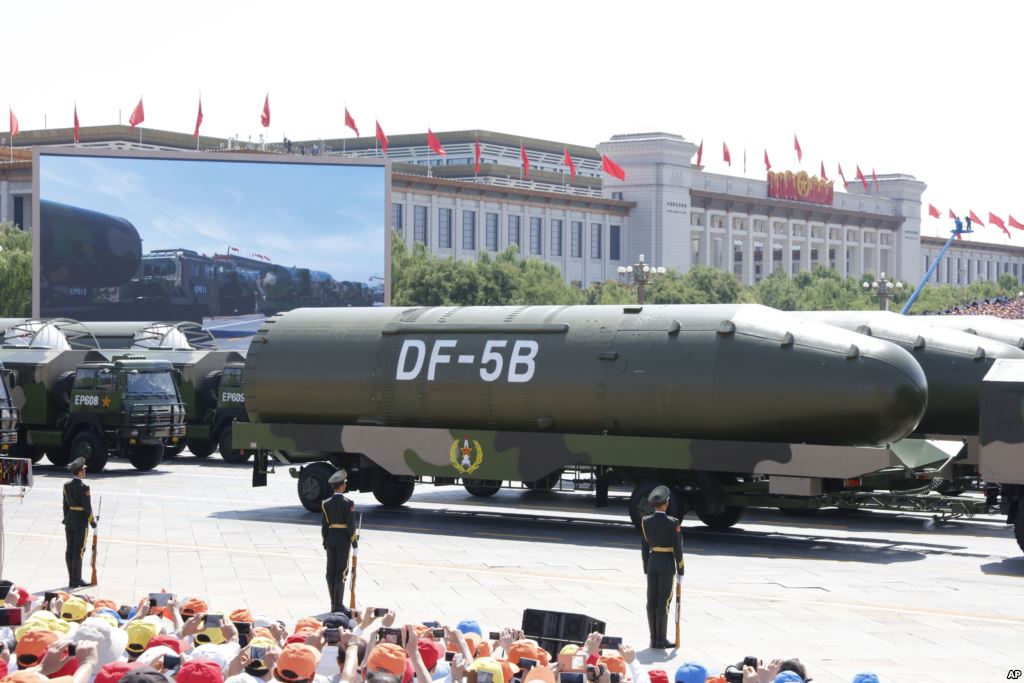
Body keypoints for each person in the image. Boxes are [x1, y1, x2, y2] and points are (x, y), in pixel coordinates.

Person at [639, 486, 683, 649]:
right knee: (663, 600)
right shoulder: (673, 522)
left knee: (651, 599)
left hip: (652, 562)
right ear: (666, 503)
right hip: (666, 562)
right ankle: (661, 639)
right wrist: (681, 569)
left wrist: (646, 567)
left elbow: (644, 547)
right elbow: (677, 548)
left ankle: (653, 639)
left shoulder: (645, 521)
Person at [321, 470, 357, 612]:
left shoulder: (325, 503)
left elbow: (324, 526)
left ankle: (332, 604)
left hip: (330, 538)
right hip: (343, 539)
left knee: (330, 572)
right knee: (341, 572)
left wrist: (325, 542)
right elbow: (351, 526)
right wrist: (355, 543)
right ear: (342, 486)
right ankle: (339, 605)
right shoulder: (348, 503)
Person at [62, 458, 96, 588]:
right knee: (79, 551)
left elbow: (65, 505)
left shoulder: (66, 485)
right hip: (81, 521)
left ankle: (72, 580)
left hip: (70, 519)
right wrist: (93, 522)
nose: (85, 471)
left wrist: (68, 518)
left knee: (70, 550)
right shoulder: (84, 487)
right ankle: (78, 579)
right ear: (80, 472)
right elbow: (87, 508)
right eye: (84, 469)